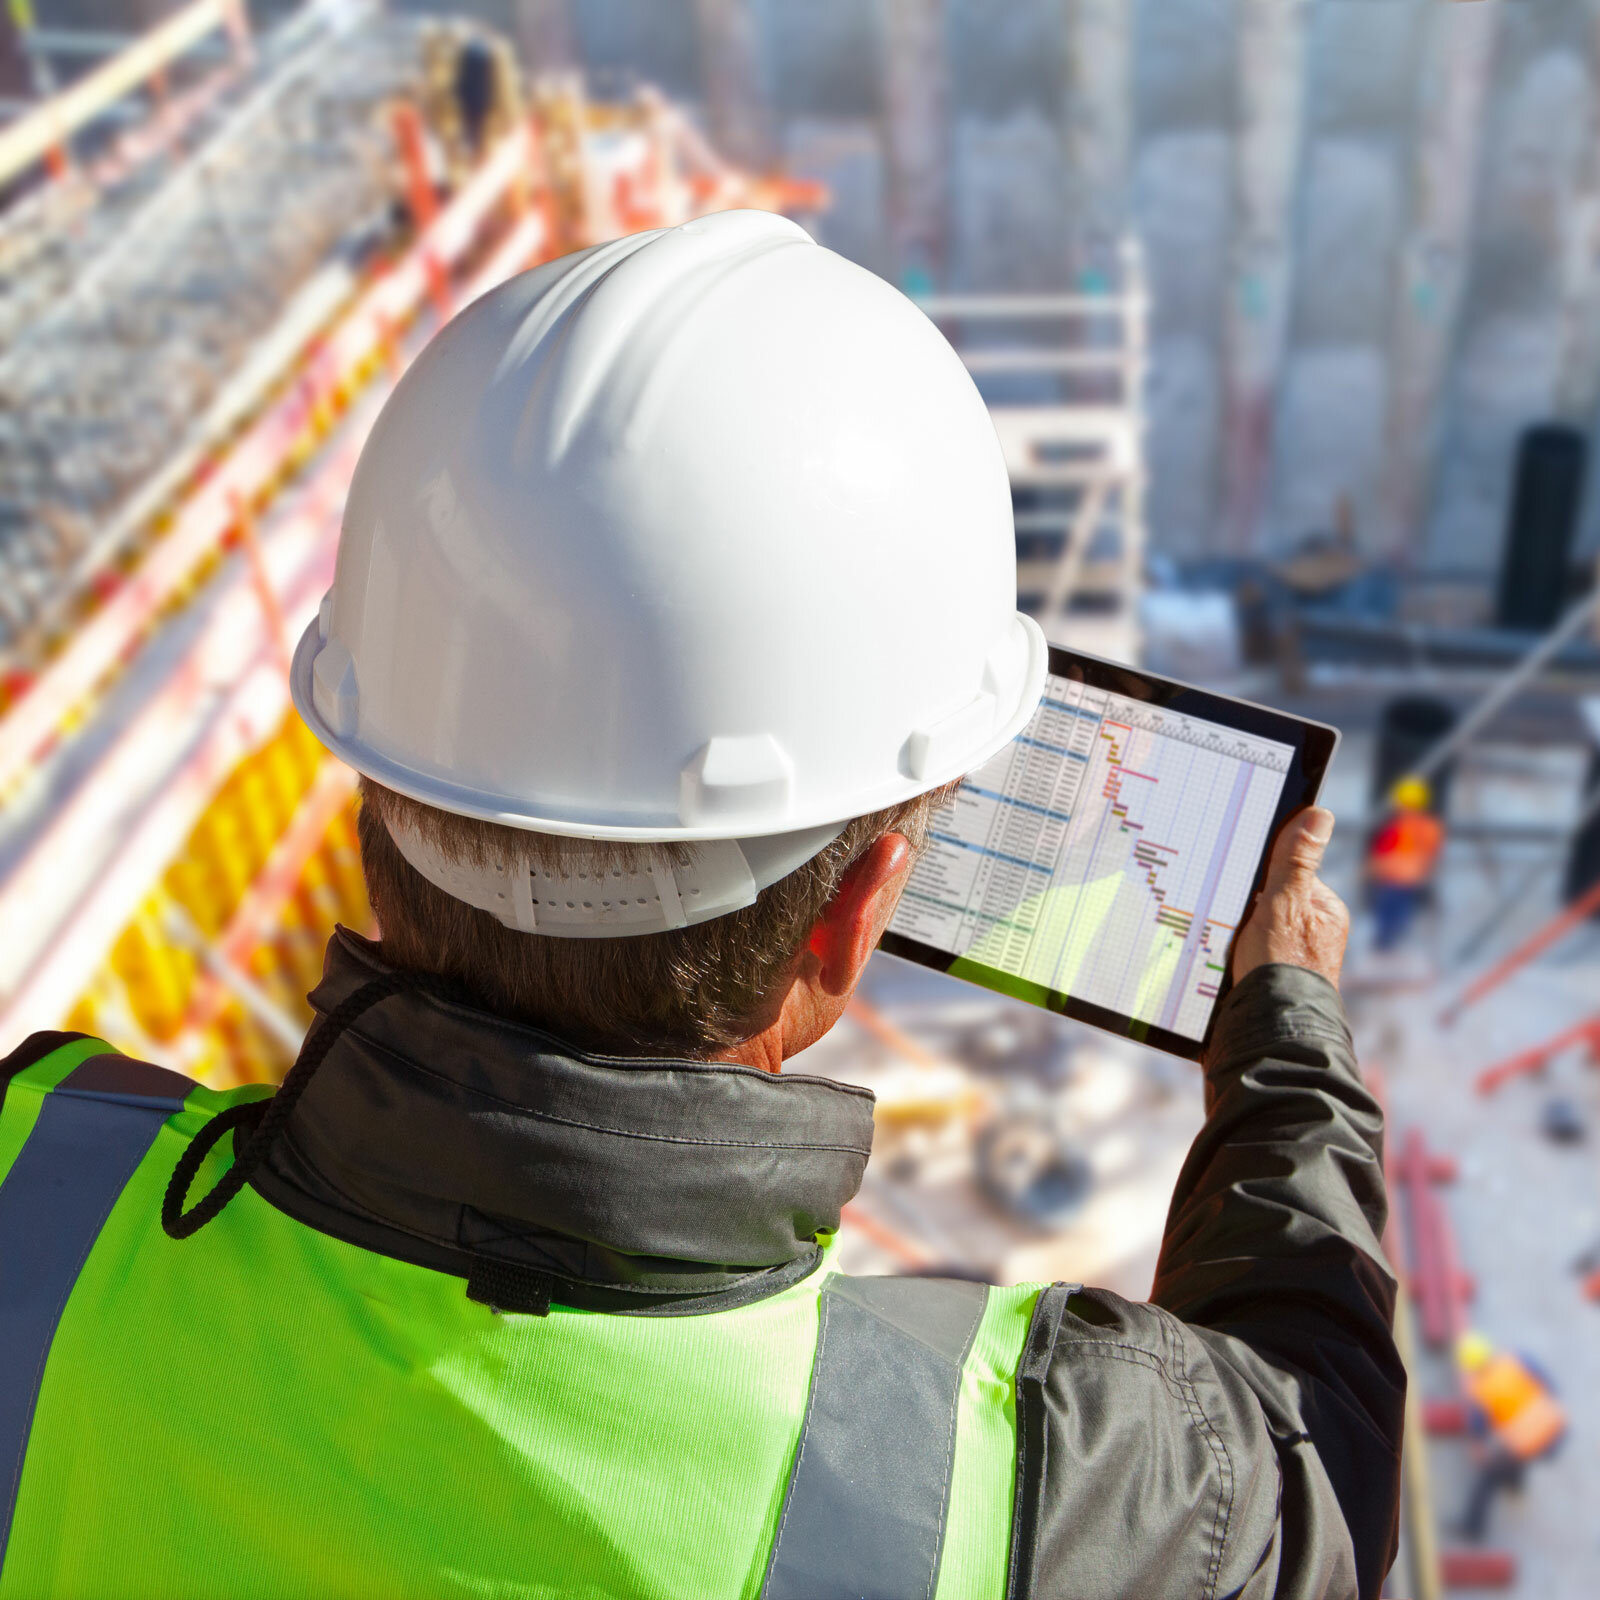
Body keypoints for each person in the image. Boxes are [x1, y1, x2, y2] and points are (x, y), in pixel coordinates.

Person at [0, 212, 1403, 1599]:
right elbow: (1315, 1462)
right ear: (853, 914)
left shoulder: (39, 1172)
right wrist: (1284, 1036)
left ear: (379, 783)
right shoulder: (1026, 1491)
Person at [1455, 1331, 1566, 1544]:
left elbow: (1479, 1428)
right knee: (1513, 1455)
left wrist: (1478, 1451)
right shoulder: (1517, 1360)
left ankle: (1471, 1527)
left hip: (1526, 1439)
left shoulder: (1480, 1389)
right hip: (1552, 1427)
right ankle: (1515, 1484)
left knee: (1488, 1476)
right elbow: (1548, 1383)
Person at [1367, 774, 1444, 951]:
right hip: (1403, 879)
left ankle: (1386, 949)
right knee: (1395, 918)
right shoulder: (1428, 827)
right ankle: (1388, 948)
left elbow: (1384, 851)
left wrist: (1372, 868)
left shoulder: (1401, 826)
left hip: (1396, 879)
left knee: (1391, 918)